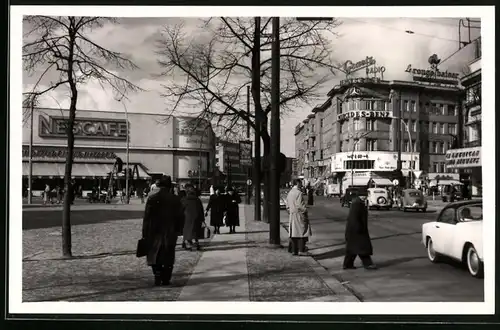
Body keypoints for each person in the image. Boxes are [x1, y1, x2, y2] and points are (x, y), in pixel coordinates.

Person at [141, 175, 185, 286]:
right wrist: (179, 230)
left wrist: (145, 232)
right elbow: (181, 216)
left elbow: (147, 218)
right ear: (170, 186)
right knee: (168, 255)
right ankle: (166, 278)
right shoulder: (176, 200)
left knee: (154, 254)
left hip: (154, 231)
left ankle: (157, 274)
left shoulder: (152, 198)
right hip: (170, 231)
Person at [343, 191, 377, 270]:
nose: (366, 197)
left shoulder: (357, 203)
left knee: (353, 249)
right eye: (365, 195)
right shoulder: (357, 204)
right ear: (361, 196)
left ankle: (348, 264)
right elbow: (354, 218)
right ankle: (368, 264)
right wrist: (359, 229)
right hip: (357, 230)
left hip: (354, 230)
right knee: (362, 247)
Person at [286, 180, 311, 256]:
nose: (301, 185)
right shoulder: (298, 193)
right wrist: (305, 210)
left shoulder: (290, 193)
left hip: (292, 214)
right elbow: (300, 205)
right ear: (297, 184)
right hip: (299, 214)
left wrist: (290, 211)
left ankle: (294, 249)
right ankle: (301, 249)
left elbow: (287, 205)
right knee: (301, 232)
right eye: (300, 184)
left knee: (293, 232)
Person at [181, 184, 204, 251]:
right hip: (197, 218)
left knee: (187, 231)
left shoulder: (184, 199)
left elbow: (181, 209)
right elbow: (201, 210)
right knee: (195, 232)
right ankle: (196, 243)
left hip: (187, 218)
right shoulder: (197, 200)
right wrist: (202, 219)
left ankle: (188, 244)